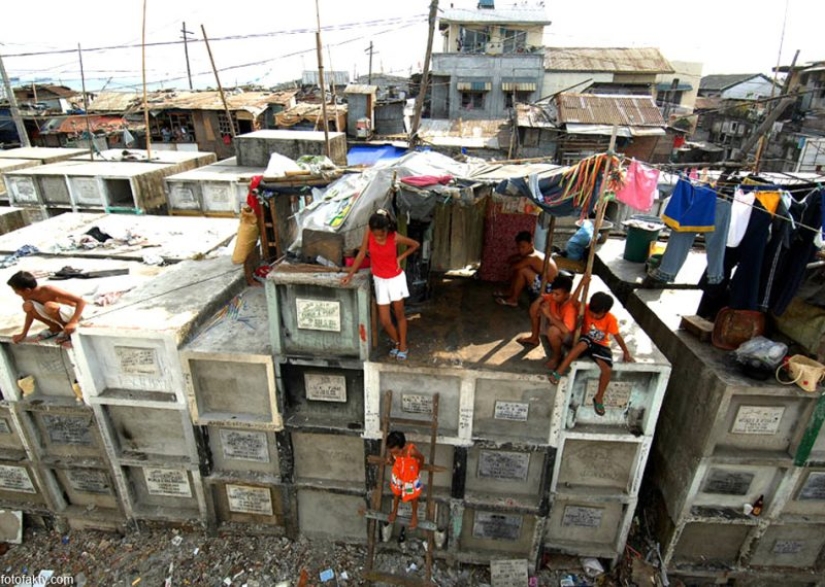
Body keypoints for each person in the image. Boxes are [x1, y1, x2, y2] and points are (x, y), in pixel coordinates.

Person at [340, 209, 420, 360]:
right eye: (375, 234)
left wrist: (400, 258)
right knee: (385, 320)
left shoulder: (394, 237)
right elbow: (362, 253)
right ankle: (397, 342)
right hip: (380, 280)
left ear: (386, 229)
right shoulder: (368, 232)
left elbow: (415, 245)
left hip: (396, 279)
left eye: (380, 234)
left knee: (399, 314)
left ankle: (403, 345)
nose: (377, 237)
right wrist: (350, 275)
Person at [548, 291, 634, 416]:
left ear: (605, 311)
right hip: (586, 339)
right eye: (592, 312)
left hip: (601, 345)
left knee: (607, 369)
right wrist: (583, 282)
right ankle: (559, 372)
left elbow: (617, 336)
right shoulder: (586, 308)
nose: (593, 315)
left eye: (597, 314)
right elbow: (573, 301)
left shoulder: (611, 319)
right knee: (582, 344)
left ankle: (598, 398)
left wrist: (626, 352)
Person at [517, 273, 585, 370]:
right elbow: (545, 297)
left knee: (553, 330)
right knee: (535, 307)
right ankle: (534, 338)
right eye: (552, 292)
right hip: (558, 326)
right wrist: (538, 302)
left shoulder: (570, 306)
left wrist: (548, 314)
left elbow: (566, 330)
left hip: (570, 336)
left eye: (557, 294)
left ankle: (556, 357)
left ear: (567, 294)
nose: (553, 296)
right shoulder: (555, 297)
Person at [7, 271, 86, 344]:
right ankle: (55, 328)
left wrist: (73, 322)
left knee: (49, 305)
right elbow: (30, 314)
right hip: (57, 316)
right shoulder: (26, 296)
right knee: (28, 306)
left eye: (16, 291)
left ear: (27, 290)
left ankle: (66, 328)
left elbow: (81, 301)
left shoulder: (48, 289)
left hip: (73, 314)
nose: (16, 293)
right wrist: (24, 333)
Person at [494, 231, 558, 307]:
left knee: (521, 270)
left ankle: (513, 300)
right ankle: (510, 291)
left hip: (550, 289)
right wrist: (519, 257)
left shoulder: (532, 257)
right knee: (521, 267)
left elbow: (513, 267)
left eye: (523, 247)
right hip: (548, 283)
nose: (520, 250)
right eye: (518, 247)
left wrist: (518, 259)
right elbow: (511, 260)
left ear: (531, 244)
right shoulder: (532, 254)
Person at [386, 431, 425, 530]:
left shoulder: (411, 452)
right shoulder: (393, 450)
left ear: (402, 447)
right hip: (398, 472)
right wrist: (391, 458)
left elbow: (421, 458)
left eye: (395, 452)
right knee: (396, 493)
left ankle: (414, 516)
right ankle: (394, 511)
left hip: (410, 477)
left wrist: (418, 469)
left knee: (413, 496)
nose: (394, 453)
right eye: (391, 451)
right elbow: (391, 454)